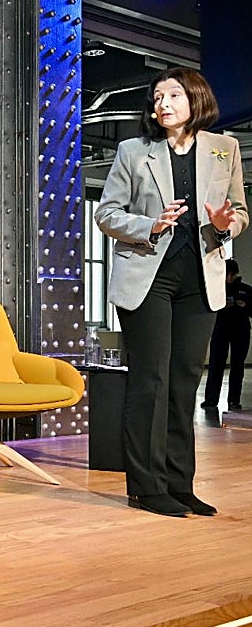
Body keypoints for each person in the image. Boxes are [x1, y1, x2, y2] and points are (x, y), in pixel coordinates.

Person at [95, 67, 247, 518]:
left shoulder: (225, 149)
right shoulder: (133, 151)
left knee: (184, 384)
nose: (162, 103)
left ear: (195, 98)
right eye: (157, 96)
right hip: (148, 275)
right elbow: (106, 214)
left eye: (173, 95)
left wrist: (226, 224)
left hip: (200, 279)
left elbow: (239, 211)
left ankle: (180, 484)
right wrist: (150, 224)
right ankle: (145, 485)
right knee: (150, 382)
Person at [202, 259, 252, 410]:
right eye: (227, 274)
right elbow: (208, 309)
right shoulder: (216, 289)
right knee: (216, 364)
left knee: (238, 366)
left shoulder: (246, 290)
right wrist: (223, 305)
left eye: (232, 274)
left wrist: (245, 306)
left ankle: (234, 401)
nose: (230, 277)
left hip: (241, 331)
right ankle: (211, 400)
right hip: (220, 330)